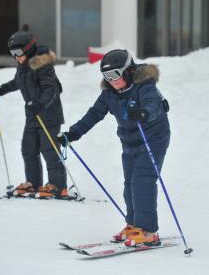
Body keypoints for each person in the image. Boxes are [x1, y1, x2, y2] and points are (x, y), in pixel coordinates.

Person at [58, 49, 170, 246]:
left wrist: (144, 113)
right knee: (129, 184)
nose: (112, 80)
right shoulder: (109, 94)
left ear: (128, 71)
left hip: (153, 139)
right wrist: (73, 133)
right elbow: (93, 115)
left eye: (115, 74)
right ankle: (134, 224)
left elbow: (153, 104)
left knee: (142, 182)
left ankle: (149, 231)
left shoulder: (144, 85)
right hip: (130, 142)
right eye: (107, 76)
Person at [0, 31, 72, 199]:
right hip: (32, 115)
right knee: (28, 149)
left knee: (49, 150)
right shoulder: (23, 66)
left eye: (18, 53)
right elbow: (17, 82)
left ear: (29, 49)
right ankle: (33, 183)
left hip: (49, 115)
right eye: (12, 54)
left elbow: (51, 89)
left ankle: (58, 186)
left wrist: (40, 103)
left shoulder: (42, 64)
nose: (15, 57)